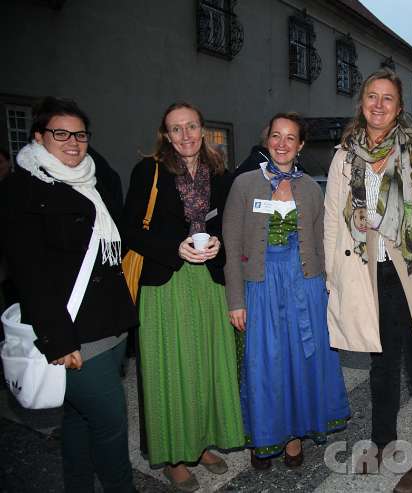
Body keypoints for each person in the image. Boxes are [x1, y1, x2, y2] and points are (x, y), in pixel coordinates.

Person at [324, 68, 412, 493]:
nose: (379, 104)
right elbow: (333, 222)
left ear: (400, 107)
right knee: (381, 368)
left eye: (388, 98)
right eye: (372, 96)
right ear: (362, 103)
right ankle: (381, 440)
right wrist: (334, 280)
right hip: (370, 274)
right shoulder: (345, 156)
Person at [0, 97, 138, 491]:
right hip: (72, 333)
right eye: (60, 133)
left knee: (79, 418)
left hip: (109, 324)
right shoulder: (23, 188)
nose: (73, 142)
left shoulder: (92, 179)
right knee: (111, 423)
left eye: (79, 134)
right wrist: (57, 339)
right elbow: (29, 273)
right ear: (39, 138)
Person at [124, 102, 243, 492]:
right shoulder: (149, 171)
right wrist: (175, 249)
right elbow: (131, 230)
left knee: (207, 365)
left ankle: (202, 442)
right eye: (176, 129)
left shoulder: (221, 172)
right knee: (170, 368)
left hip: (208, 282)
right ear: (166, 135)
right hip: (166, 283)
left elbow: (228, 223)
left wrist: (220, 244)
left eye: (191, 126)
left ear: (203, 129)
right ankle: (174, 455)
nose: (186, 135)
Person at [223, 111, 350, 470]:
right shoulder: (244, 183)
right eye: (276, 136)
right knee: (264, 365)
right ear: (267, 141)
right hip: (261, 285)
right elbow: (231, 246)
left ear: (301, 145)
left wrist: (328, 290)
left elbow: (323, 243)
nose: (281, 144)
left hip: (304, 284)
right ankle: (264, 437)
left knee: (299, 363)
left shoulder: (310, 187)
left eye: (290, 137)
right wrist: (236, 300)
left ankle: (293, 436)